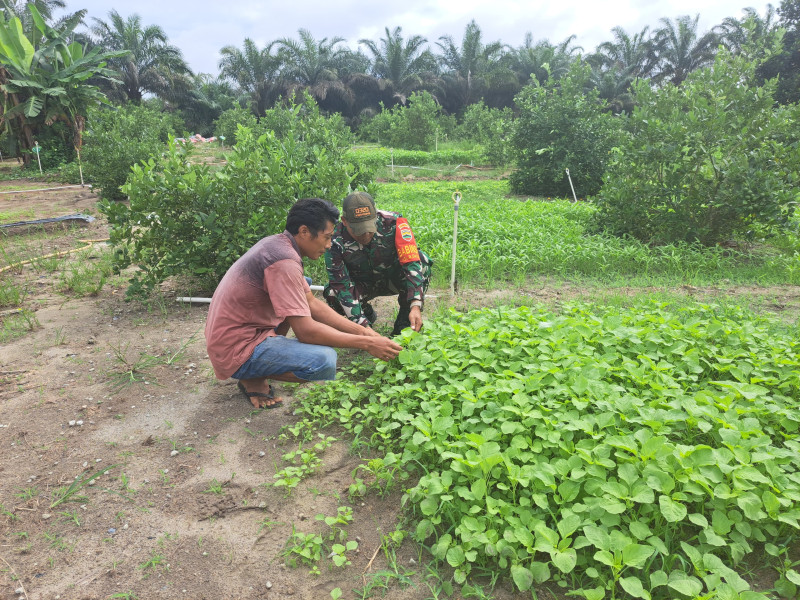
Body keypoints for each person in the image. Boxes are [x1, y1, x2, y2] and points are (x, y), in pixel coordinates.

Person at [204, 198, 403, 409]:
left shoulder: (279, 245)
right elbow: (306, 332)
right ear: (304, 231)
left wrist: (364, 331)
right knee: (323, 361)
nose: (328, 245)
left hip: (237, 332)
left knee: (303, 286)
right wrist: (368, 344)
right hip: (235, 348)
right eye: (326, 237)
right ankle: (251, 375)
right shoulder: (284, 262)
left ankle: (258, 363)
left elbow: (311, 303)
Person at [323, 192, 432, 336]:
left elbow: (411, 263)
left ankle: (404, 327)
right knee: (332, 294)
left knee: (422, 261)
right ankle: (366, 315)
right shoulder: (334, 239)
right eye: (359, 231)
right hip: (361, 286)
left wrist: (416, 305)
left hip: (393, 279)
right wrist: (363, 328)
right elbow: (341, 285)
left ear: (376, 216)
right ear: (344, 221)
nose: (366, 235)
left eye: (369, 228)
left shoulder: (395, 223)